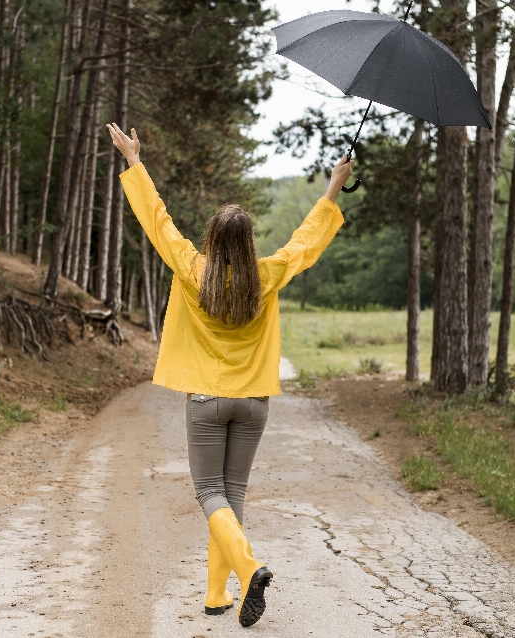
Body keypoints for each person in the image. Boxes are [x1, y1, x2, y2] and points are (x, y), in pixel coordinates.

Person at [106, 123, 352, 628]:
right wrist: (332, 186)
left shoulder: (192, 269)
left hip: (206, 402)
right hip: (254, 402)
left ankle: (247, 566)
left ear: (214, 240)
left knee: (208, 492)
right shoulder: (268, 273)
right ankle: (218, 594)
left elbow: (159, 222)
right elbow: (306, 241)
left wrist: (134, 161)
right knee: (232, 490)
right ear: (248, 242)